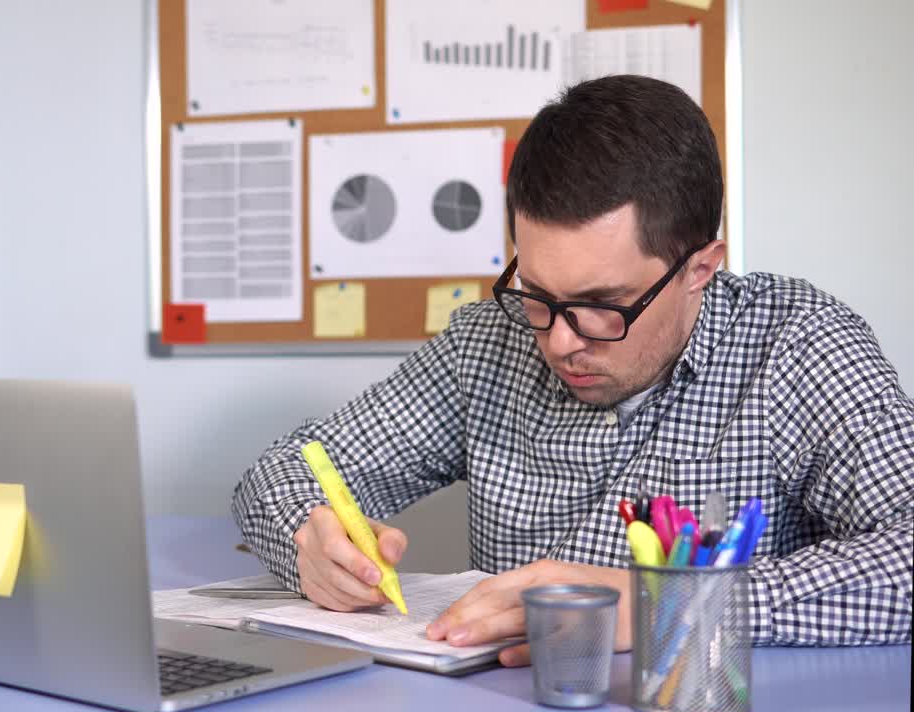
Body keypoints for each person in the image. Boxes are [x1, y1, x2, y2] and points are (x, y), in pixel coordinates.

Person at [231, 75, 913, 666]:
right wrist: (308, 539)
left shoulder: (798, 344)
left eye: (602, 305)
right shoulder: (488, 344)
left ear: (701, 268)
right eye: (538, 294)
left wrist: (666, 603)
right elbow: (289, 466)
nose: (558, 341)